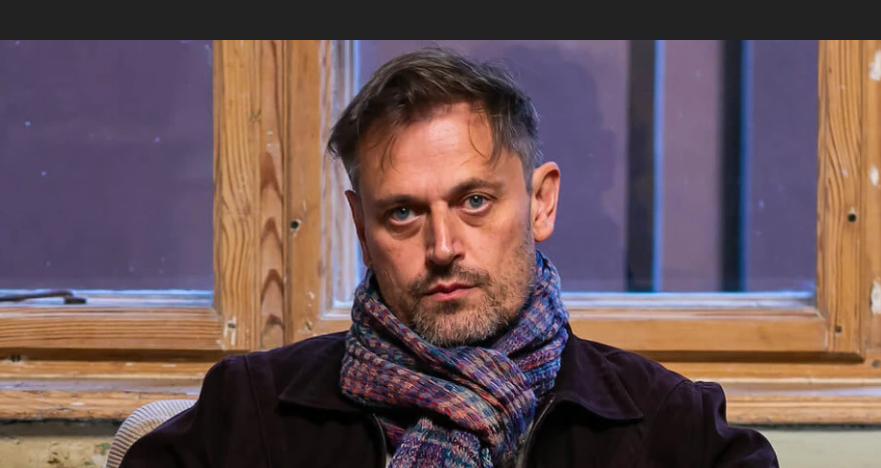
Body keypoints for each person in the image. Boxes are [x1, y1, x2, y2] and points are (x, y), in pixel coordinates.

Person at [124, 46, 778, 468]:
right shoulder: (248, 415)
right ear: (361, 227)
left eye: (474, 201)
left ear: (541, 202)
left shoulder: (675, 431)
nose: (442, 248)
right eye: (402, 213)